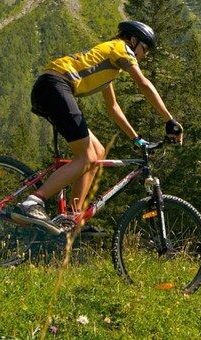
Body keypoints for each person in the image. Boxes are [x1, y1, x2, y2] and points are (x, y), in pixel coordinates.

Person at [13, 20, 183, 232]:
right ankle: (33, 203)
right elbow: (143, 83)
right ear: (132, 40)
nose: (144, 55)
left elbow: (113, 107)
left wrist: (135, 138)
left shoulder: (109, 62)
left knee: (98, 152)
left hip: (51, 88)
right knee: (86, 157)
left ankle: (70, 218)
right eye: (144, 49)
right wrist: (169, 120)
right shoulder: (121, 48)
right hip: (56, 86)